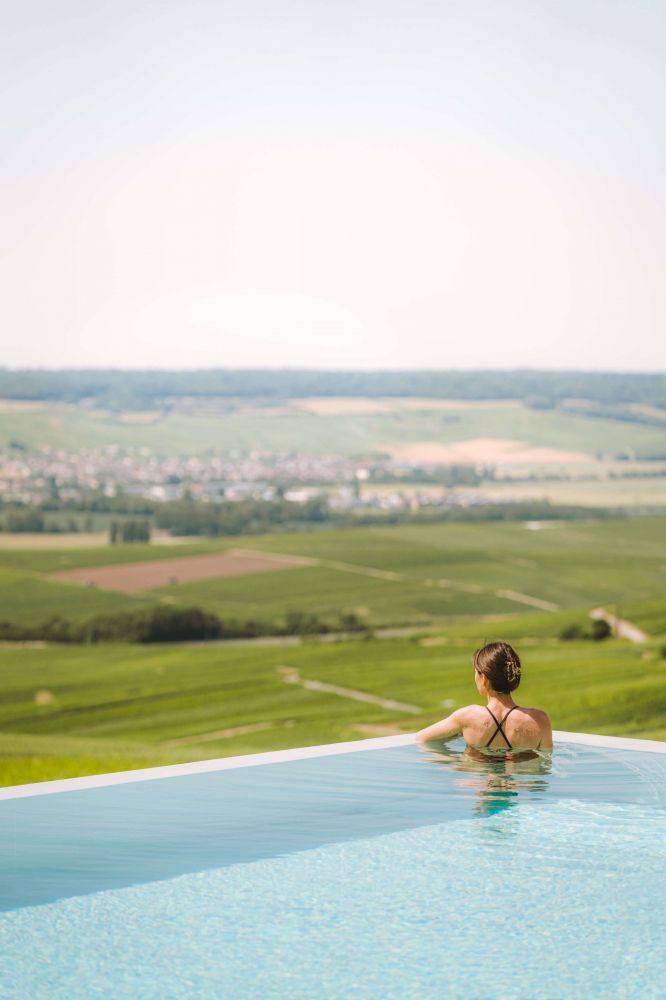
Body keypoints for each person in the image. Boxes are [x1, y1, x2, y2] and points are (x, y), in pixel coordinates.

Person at [416, 641, 552, 755]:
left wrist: (458, 764)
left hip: (479, 781)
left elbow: (421, 739)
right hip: (520, 783)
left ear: (484, 678)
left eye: (476, 672)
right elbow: (544, 766)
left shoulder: (468, 717)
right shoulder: (540, 720)